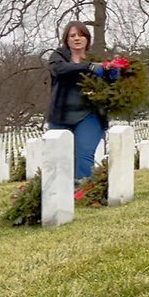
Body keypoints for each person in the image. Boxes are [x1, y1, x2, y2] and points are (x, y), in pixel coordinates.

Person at [44, 21, 107, 182]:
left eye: (81, 35)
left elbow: (108, 85)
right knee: (59, 158)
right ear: (66, 39)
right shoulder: (58, 57)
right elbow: (60, 70)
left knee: (84, 153)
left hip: (89, 115)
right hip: (61, 116)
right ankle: (60, 193)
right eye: (72, 35)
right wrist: (88, 67)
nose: (77, 39)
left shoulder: (96, 60)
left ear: (87, 39)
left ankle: (82, 192)